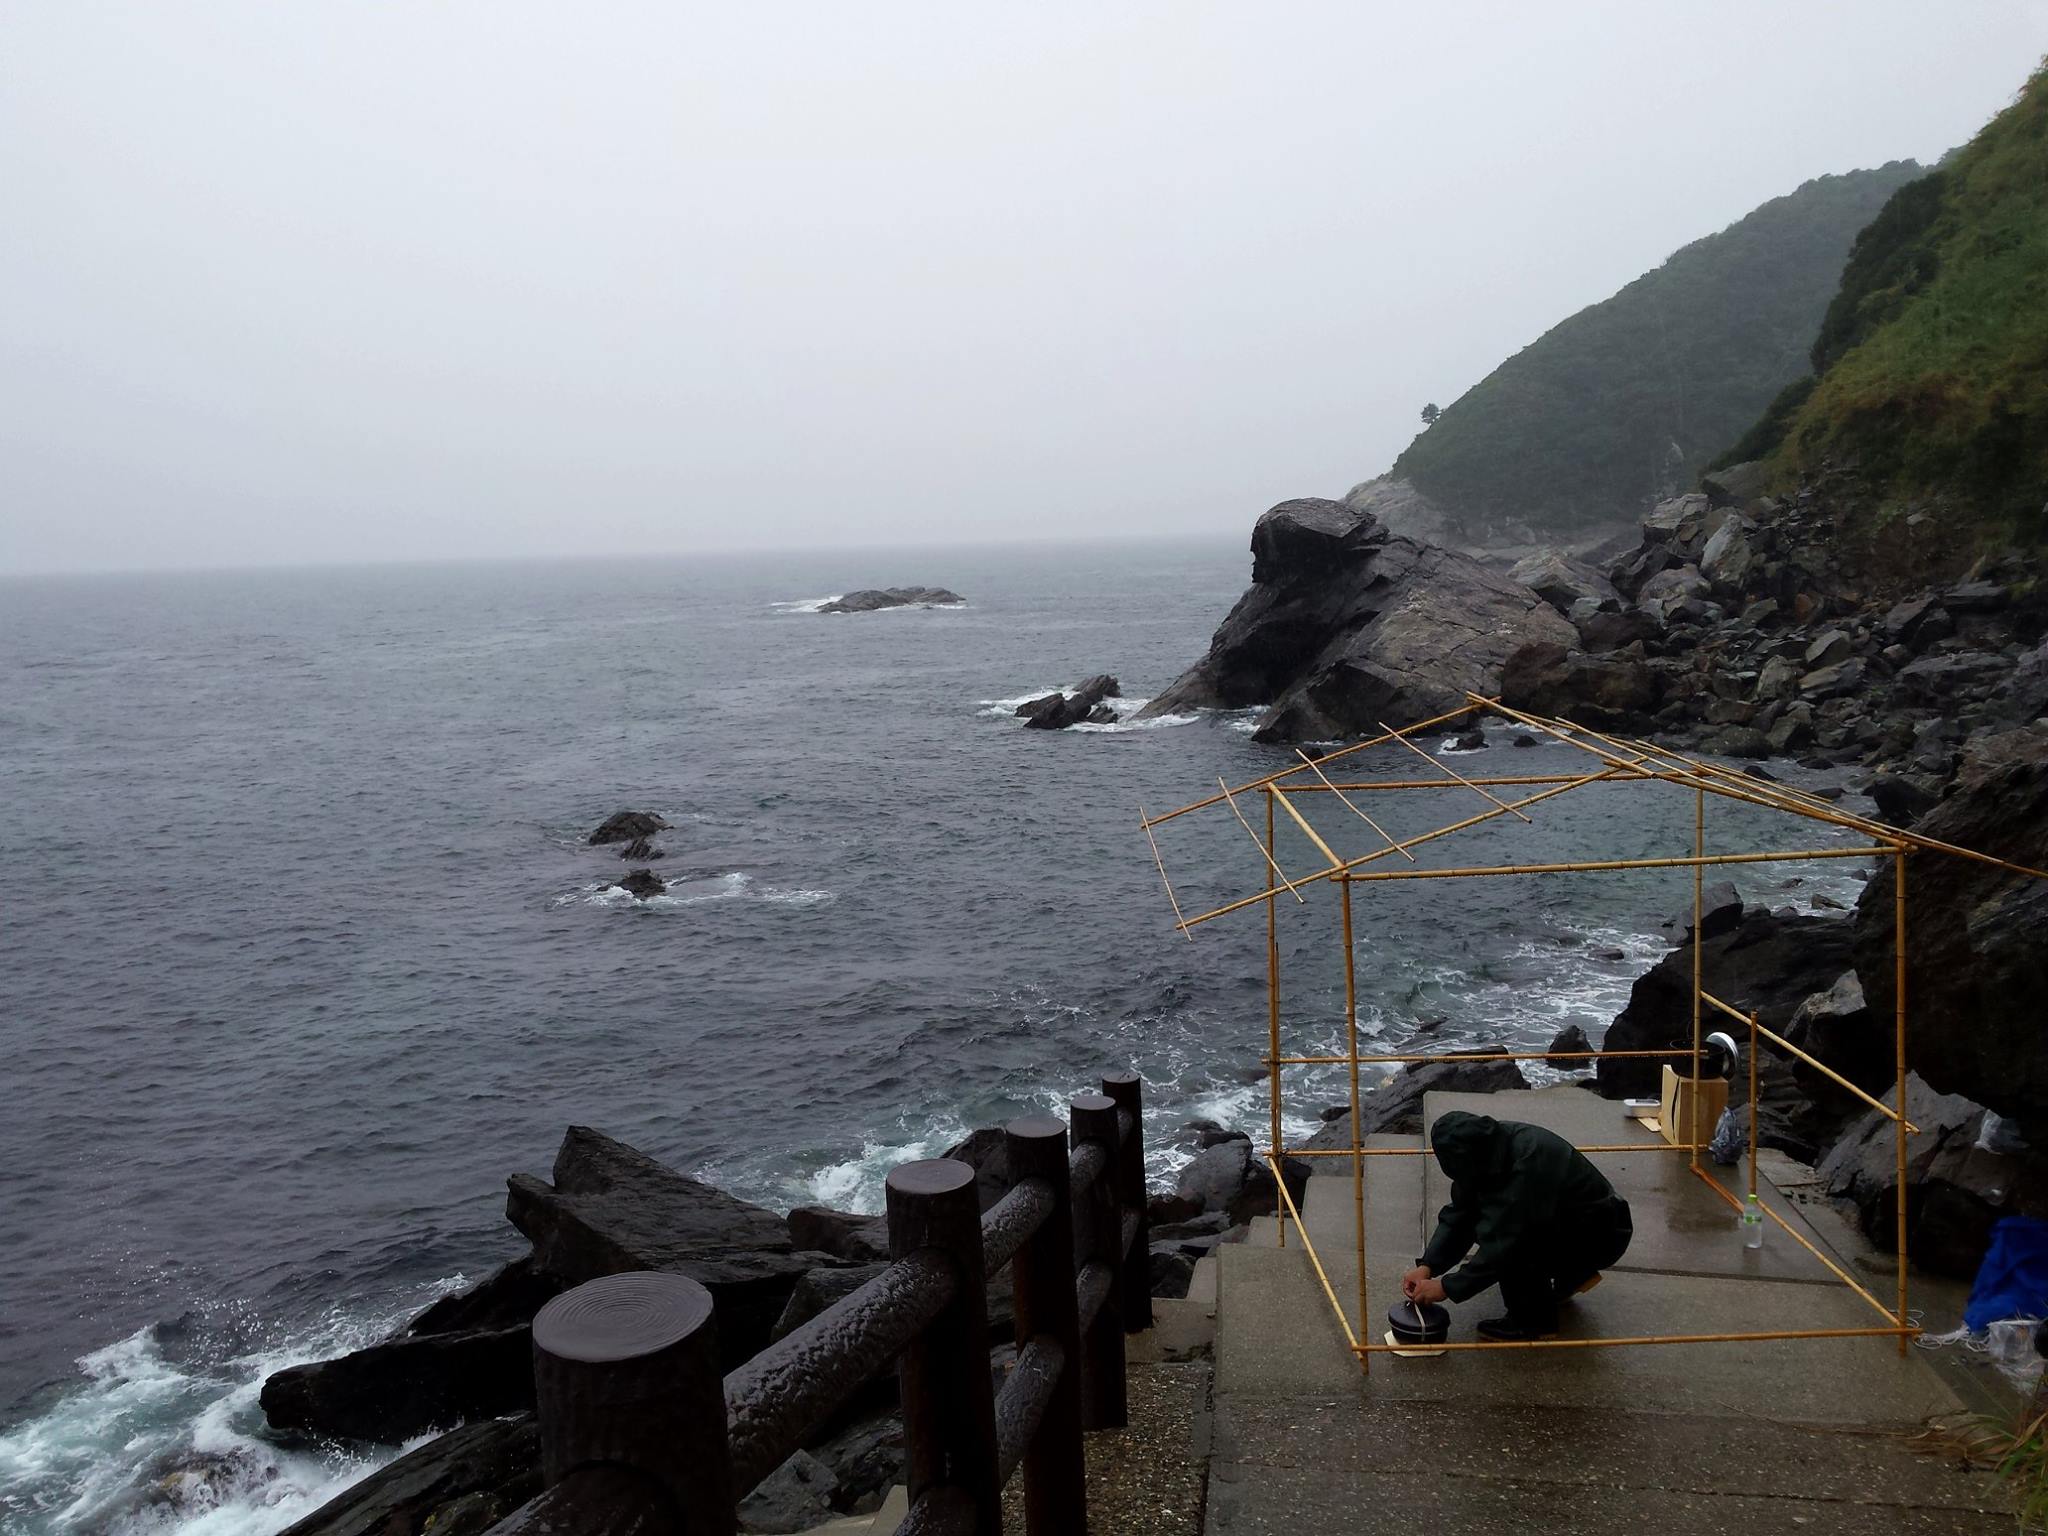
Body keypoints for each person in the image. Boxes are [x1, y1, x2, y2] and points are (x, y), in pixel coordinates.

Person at [1400, 1109, 1633, 1342]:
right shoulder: (1488, 1148)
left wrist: (1446, 1288)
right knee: (1494, 1225)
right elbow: (1461, 1213)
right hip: (1579, 1223)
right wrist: (1428, 1265)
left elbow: (1507, 1241)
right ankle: (1571, 1276)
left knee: (1514, 1244)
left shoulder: (1528, 1164)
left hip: (1603, 1235)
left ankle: (1533, 1323)